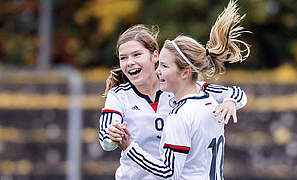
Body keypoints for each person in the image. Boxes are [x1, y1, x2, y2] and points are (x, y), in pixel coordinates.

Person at [99, 2, 248, 178]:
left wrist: (230, 101)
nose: (129, 62)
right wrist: (114, 135)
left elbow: (236, 94)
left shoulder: (180, 88)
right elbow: (105, 140)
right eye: (123, 58)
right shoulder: (119, 95)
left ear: (155, 56)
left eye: (137, 55)